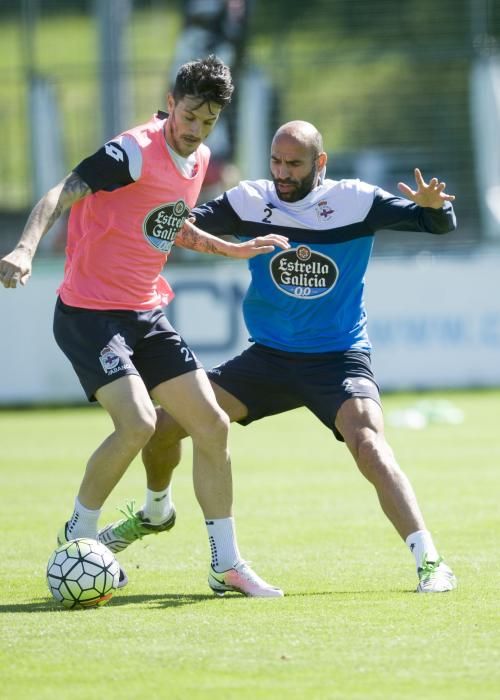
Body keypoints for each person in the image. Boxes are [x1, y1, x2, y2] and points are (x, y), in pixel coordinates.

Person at [98, 119, 459, 595]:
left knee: (368, 442)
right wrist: (143, 205)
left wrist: (435, 209)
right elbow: (181, 228)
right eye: (276, 162)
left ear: (320, 163)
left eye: (294, 164)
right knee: (164, 427)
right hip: (267, 361)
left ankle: (430, 562)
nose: (283, 173)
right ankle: (156, 510)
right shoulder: (250, 199)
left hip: (338, 359)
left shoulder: (355, 200)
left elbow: (435, 223)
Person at [0, 55, 289, 598]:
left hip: (145, 311)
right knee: (136, 424)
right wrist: (24, 247)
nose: (195, 130)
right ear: (171, 101)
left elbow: (169, 225)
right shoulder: (132, 151)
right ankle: (79, 537)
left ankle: (225, 564)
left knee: (212, 425)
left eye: (207, 122)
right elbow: (60, 192)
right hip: (88, 313)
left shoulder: (199, 159)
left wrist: (232, 248)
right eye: (189, 117)